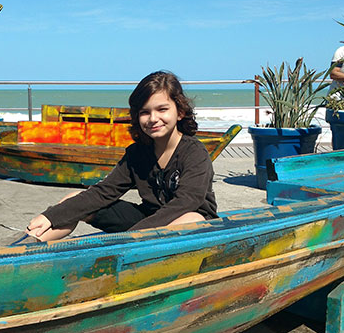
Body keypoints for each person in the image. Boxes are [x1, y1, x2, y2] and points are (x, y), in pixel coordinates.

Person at [26, 71, 217, 242]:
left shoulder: (194, 153)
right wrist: (51, 216)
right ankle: (26, 248)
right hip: (148, 221)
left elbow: (187, 202)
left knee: (190, 220)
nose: (152, 118)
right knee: (74, 200)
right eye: (144, 112)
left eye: (162, 109)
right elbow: (104, 192)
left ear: (180, 112)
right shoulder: (137, 153)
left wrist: (132, 236)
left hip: (193, 225)